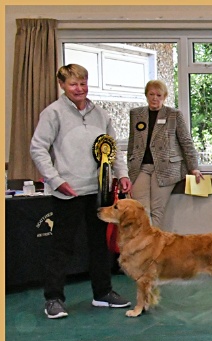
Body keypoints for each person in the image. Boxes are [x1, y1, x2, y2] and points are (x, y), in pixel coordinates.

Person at [30, 63, 133, 319]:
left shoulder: (100, 114)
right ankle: (53, 299)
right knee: (62, 246)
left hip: (99, 191)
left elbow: (112, 148)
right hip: (68, 192)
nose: (80, 88)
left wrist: (122, 175)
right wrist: (55, 180)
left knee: (100, 245)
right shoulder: (52, 113)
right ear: (62, 85)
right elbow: (38, 148)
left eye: (83, 83)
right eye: (74, 84)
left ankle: (103, 293)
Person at [127, 80, 203, 229]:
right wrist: (129, 164)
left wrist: (193, 167)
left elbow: (186, 142)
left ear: (165, 96)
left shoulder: (173, 115)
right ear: (146, 95)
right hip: (140, 167)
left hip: (165, 169)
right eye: (151, 94)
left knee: (157, 210)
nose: (155, 98)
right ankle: (144, 245)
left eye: (159, 95)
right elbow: (132, 140)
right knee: (140, 210)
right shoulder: (136, 114)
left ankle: (151, 248)